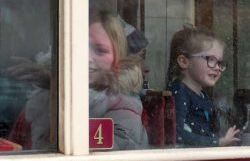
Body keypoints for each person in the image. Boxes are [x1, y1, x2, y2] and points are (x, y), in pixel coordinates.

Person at [7, 10, 149, 150]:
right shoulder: (39, 103)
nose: (86, 57)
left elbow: (101, 157)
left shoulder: (123, 106)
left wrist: (54, 83)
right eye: (79, 47)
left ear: (118, 60)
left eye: (100, 50)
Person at [167, 26, 239, 147]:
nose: (217, 67)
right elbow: (175, 134)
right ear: (184, 61)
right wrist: (217, 142)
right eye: (210, 59)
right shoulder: (179, 93)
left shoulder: (202, 95)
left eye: (220, 62)